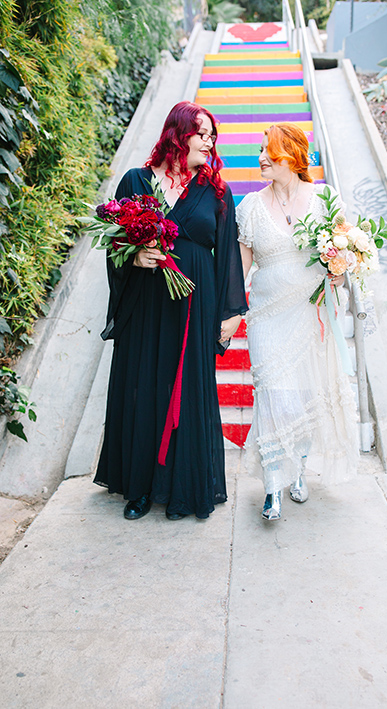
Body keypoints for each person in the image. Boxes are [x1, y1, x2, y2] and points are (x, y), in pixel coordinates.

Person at [94, 101, 248, 520]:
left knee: (187, 389)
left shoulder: (216, 191)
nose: (210, 142)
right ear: (178, 134)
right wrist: (133, 255)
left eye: (213, 136)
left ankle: (183, 488)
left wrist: (230, 312)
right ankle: (140, 489)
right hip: (145, 300)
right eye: (203, 134)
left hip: (194, 303)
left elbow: (226, 256)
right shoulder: (136, 181)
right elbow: (112, 244)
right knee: (143, 383)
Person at [236, 123, 359, 521]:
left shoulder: (324, 198)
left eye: (268, 151)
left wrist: (341, 272)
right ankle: (272, 486)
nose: (261, 158)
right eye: (259, 150)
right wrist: (230, 312)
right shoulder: (250, 208)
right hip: (267, 318)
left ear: (292, 155)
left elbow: (348, 249)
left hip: (311, 314)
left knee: (305, 395)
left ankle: (299, 471)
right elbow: (240, 272)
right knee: (274, 395)